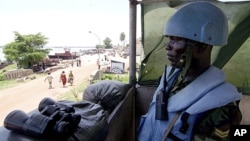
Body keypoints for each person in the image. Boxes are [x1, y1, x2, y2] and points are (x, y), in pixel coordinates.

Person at [137, 2, 242, 141]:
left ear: (202, 46)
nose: (167, 47)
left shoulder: (221, 105)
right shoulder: (170, 77)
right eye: (170, 39)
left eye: (176, 40)